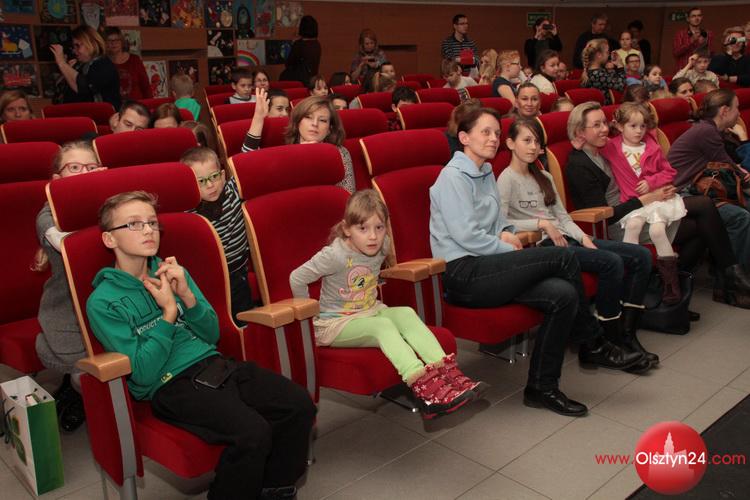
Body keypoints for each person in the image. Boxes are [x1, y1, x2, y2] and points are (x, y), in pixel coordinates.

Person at [87, 190, 315, 500]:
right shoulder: (103, 301)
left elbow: (210, 334)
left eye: (152, 223)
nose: (148, 230)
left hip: (215, 363)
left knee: (298, 404)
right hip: (170, 385)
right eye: (134, 224)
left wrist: (186, 296)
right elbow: (142, 373)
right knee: (253, 433)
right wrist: (168, 314)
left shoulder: (172, 272)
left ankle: (275, 490)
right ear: (109, 239)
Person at [430, 107, 643, 417]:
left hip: (491, 266)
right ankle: (593, 343)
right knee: (563, 256)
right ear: (464, 137)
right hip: (465, 273)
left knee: (563, 295)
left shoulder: (485, 172)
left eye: (496, 132)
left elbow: (499, 222)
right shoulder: (452, 177)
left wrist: (506, 232)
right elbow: (466, 236)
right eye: (485, 132)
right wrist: (506, 246)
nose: (493, 138)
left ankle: (542, 388)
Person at [290, 190, 485, 419]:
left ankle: (448, 375)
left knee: (406, 313)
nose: (373, 236)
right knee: (382, 327)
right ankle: (426, 390)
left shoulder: (383, 246)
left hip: (370, 311)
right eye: (363, 228)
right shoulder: (334, 255)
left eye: (379, 227)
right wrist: (307, 318)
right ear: (347, 229)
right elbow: (297, 277)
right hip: (336, 323)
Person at [498, 118, 655, 370]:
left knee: (640, 256)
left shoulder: (544, 176)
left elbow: (563, 217)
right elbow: (501, 222)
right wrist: (541, 224)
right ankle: (608, 340)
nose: (533, 146)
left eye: (536, 141)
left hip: (569, 238)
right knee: (611, 262)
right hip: (546, 247)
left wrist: (584, 238)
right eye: (526, 140)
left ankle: (626, 335)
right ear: (510, 143)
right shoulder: (507, 179)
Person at [566, 101, 750, 310]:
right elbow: (606, 215)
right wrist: (650, 197)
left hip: (642, 208)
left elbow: (639, 151)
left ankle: (683, 288)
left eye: (604, 123)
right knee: (704, 212)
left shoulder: (602, 148)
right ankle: (723, 280)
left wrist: (658, 187)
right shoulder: (580, 165)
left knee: (705, 216)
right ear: (580, 131)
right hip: (621, 224)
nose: (605, 129)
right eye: (597, 125)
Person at [33, 141, 107, 432]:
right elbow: (74, 246)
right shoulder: (47, 215)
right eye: (74, 167)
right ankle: (78, 393)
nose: (84, 173)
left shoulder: (113, 203)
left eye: (91, 167)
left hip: (107, 300)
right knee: (87, 372)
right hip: (69, 309)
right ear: (57, 179)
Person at [600, 103, 687, 304]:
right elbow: (591, 148)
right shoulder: (610, 147)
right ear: (619, 126)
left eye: (642, 126)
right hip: (634, 203)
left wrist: (651, 182)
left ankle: (670, 284)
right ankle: (630, 281)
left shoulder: (652, 146)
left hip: (657, 200)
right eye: (633, 126)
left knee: (657, 231)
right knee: (633, 226)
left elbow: (669, 172)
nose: (639, 131)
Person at [668, 89, 750, 287]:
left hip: (700, 189)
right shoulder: (707, 132)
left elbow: (730, 167)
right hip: (683, 195)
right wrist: (741, 171)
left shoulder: (709, 129)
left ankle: (727, 275)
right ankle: (733, 282)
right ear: (724, 110)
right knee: (740, 217)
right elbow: (733, 169)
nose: (739, 113)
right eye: (737, 108)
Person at [182, 147, 253, 322]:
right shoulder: (188, 213)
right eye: (201, 181)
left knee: (244, 319)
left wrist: (256, 127)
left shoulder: (232, 192)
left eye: (214, 177)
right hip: (209, 281)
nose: (210, 185)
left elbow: (246, 159)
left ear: (222, 175)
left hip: (239, 274)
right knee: (217, 321)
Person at [242, 93, 355, 193]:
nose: (315, 124)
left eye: (322, 120)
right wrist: (258, 118)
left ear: (330, 128)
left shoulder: (340, 153)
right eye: (308, 117)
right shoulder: (286, 153)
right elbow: (247, 170)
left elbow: (347, 194)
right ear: (297, 122)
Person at [51, 25, 121, 109]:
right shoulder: (80, 65)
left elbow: (83, 88)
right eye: (73, 47)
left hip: (100, 116)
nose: (74, 51)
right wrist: (66, 69)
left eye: (77, 45)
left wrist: (62, 63)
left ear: (91, 43)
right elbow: (58, 94)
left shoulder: (103, 64)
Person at [103, 27, 151, 101]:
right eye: (109, 40)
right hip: (114, 106)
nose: (113, 43)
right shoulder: (102, 63)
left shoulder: (135, 60)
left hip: (136, 105)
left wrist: (150, 105)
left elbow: (146, 87)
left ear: (122, 42)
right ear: (104, 43)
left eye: (117, 40)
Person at [580, 39, 625, 105]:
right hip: (602, 109)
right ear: (599, 55)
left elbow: (613, 80)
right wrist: (620, 65)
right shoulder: (597, 75)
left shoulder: (594, 72)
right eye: (607, 52)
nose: (608, 55)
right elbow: (620, 86)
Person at [281, 15, 321, 84]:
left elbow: (288, 63)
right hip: (313, 80)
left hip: (299, 81)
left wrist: (293, 44)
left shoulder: (299, 44)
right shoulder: (317, 44)